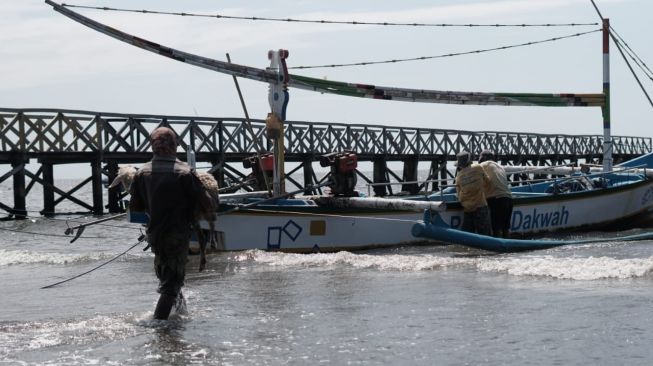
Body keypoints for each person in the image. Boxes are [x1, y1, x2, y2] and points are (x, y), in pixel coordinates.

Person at [129, 127, 214, 320]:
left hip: (154, 235)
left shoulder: (142, 173)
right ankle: (160, 326)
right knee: (171, 283)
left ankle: (181, 314)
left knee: (169, 277)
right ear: (175, 146)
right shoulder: (184, 173)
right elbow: (207, 204)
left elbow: (135, 207)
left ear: (153, 147)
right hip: (176, 235)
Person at [454, 151, 492, 236]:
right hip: (480, 205)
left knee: (468, 235)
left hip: (467, 208)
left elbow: (458, 194)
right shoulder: (478, 167)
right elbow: (488, 181)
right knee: (485, 234)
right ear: (469, 160)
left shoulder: (459, 176)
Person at [478, 150, 513, 238]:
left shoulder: (483, 165)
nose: (478, 159)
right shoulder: (500, 166)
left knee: (496, 228)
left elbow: (475, 178)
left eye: (480, 156)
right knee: (505, 228)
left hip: (496, 199)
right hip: (508, 198)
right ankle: (507, 247)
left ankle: (497, 249)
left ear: (484, 157)